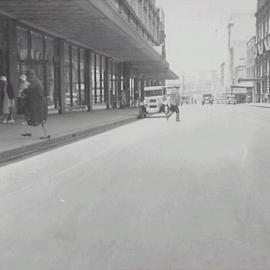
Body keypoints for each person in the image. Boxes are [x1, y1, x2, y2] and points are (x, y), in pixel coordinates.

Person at [21, 69, 50, 139]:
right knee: (31, 117)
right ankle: (29, 132)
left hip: (39, 104)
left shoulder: (35, 82)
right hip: (37, 104)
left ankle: (46, 134)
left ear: (31, 75)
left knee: (41, 119)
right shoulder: (36, 81)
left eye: (28, 76)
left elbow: (28, 90)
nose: (27, 78)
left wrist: (23, 91)